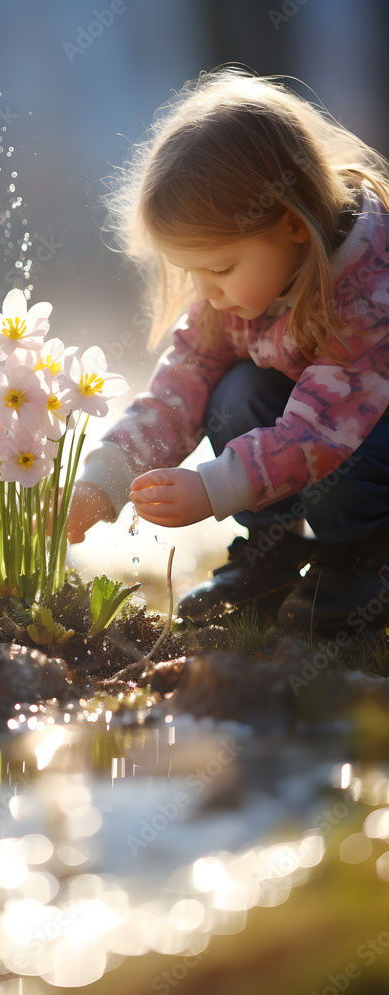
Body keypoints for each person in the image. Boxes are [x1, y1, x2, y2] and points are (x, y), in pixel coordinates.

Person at [66, 68, 389, 635]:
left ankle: (363, 562)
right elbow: (180, 384)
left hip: (362, 426)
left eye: (220, 268)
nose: (207, 292)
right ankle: (272, 556)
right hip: (323, 424)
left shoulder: (367, 288)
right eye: (194, 272)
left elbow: (322, 433)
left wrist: (215, 487)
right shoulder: (236, 293)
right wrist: (104, 481)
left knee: (360, 449)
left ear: (291, 223)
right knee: (231, 392)